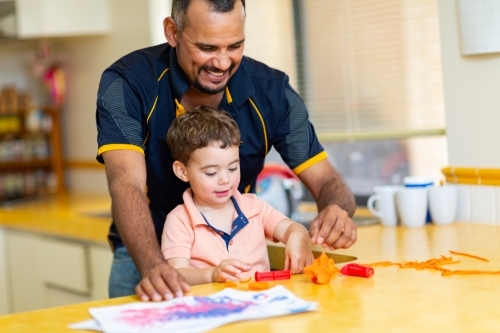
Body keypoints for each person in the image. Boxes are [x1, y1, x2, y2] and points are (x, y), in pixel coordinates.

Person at [96, 0, 356, 302]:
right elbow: (126, 184)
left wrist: (336, 210)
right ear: (172, 32)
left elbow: (326, 180)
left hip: (238, 261)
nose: (222, 63)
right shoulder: (125, 84)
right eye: (207, 48)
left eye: (235, 46)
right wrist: (154, 266)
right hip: (147, 255)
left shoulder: (273, 92)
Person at [162, 106, 314, 284]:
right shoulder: (179, 220)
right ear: (182, 171)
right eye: (211, 173)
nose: (225, 180)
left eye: (233, 168)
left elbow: (293, 229)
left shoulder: (254, 208)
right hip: (211, 308)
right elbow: (177, 274)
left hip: (261, 303)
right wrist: (212, 275)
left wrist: (297, 237)